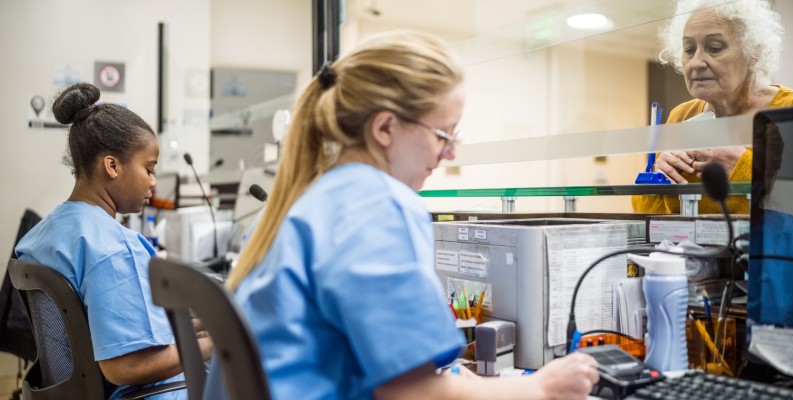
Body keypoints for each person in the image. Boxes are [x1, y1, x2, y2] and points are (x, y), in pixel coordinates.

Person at [202, 31, 598, 400]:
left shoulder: (306, 202)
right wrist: (542, 387)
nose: (451, 153)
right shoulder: (379, 203)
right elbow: (411, 392)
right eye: (443, 135)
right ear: (386, 128)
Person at [15, 82, 213, 400]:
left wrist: (207, 326)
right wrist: (217, 342)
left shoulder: (46, 233)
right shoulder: (112, 247)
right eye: (149, 169)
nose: (153, 183)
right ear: (112, 165)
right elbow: (126, 365)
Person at [632, 0, 793, 214]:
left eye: (714, 48)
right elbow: (648, 215)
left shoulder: (792, 109)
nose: (696, 62)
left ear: (753, 52)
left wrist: (746, 168)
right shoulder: (682, 115)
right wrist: (657, 177)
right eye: (689, 50)